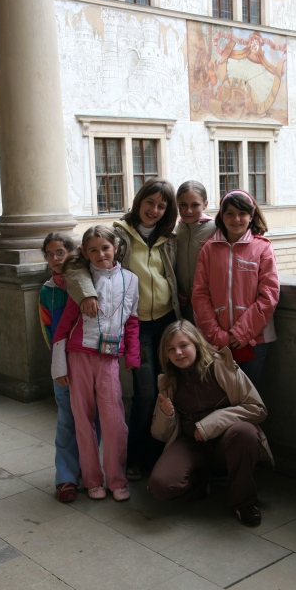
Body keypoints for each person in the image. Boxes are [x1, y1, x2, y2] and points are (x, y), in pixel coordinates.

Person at [64, 179, 181, 481]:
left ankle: (159, 455)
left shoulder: (169, 238)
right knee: (145, 393)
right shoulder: (119, 235)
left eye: (162, 206)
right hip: (137, 327)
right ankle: (135, 458)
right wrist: (87, 293)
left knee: (167, 390)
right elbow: (75, 263)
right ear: (139, 201)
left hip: (167, 323)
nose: (154, 210)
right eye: (149, 202)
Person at [149, 320, 273, 525]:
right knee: (160, 485)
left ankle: (244, 502)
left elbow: (257, 408)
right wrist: (165, 414)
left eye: (183, 345)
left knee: (246, 432)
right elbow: (159, 434)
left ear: (196, 344)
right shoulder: (167, 381)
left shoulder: (221, 365)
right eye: (171, 349)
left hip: (226, 440)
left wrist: (209, 425)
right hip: (190, 444)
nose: (178, 353)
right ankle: (203, 481)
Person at [52, 226, 140, 501]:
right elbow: (64, 326)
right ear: (85, 253)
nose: (101, 254)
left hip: (109, 359)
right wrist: (59, 367)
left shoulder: (131, 280)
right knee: (83, 420)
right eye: (93, 250)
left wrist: (133, 354)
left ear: (116, 248)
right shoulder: (82, 280)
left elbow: (132, 320)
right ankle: (91, 479)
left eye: (105, 248)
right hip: (78, 356)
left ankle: (117, 479)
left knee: (114, 422)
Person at [192, 190, 279, 391]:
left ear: (251, 216)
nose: (236, 219)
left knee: (249, 397)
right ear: (222, 216)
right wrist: (217, 335)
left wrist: (241, 333)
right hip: (216, 341)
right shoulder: (208, 248)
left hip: (254, 340)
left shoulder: (263, 248)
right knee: (220, 396)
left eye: (242, 213)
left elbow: (269, 295)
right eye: (230, 213)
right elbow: (200, 294)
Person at [39, 232, 81, 503]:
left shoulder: (85, 281)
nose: (55, 259)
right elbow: (47, 332)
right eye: (49, 254)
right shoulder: (47, 291)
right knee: (66, 419)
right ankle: (65, 477)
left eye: (60, 253)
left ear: (71, 253)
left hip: (87, 361)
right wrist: (58, 365)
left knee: (92, 418)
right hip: (62, 365)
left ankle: (90, 470)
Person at [175, 181, 215, 324]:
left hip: (210, 303)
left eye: (195, 205)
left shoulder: (215, 229)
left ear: (205, 204)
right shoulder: (176, 231)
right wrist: (178, 291)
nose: (189, 211)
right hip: (184, 304)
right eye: (183, 205)